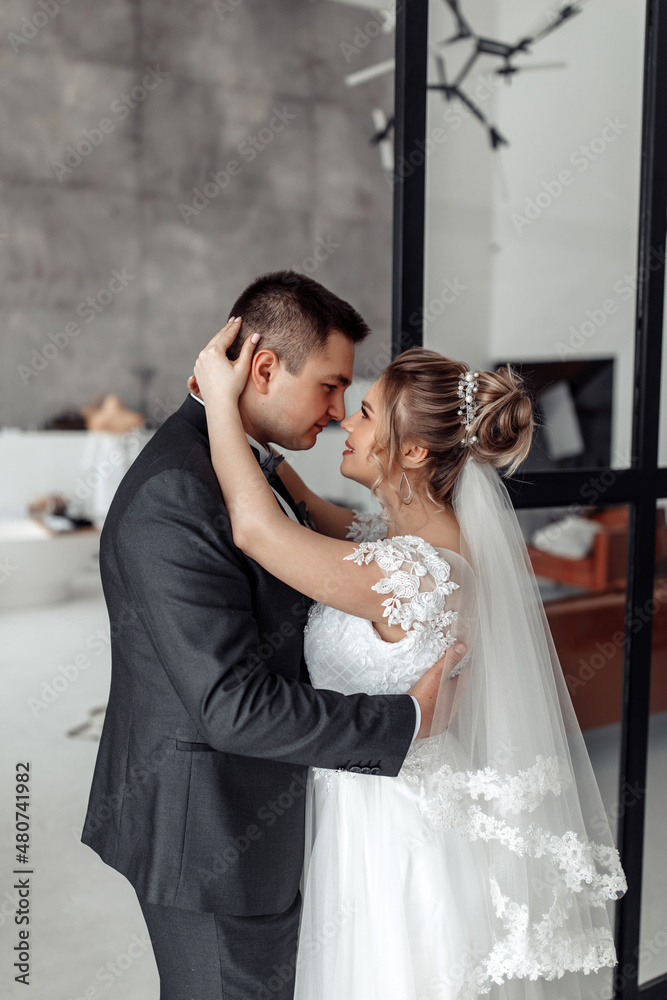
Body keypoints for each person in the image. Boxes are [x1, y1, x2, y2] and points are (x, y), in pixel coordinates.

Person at [191, 320, 628, 1000]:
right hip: (373, 803)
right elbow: (316, 517)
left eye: (363, 413)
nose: (345, 425)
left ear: (415, 450)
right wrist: (269, 455)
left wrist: (219, 402)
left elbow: (258, 531)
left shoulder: (415, 574)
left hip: (395, 831)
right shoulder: (407, 544)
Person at [80, 272, 465, 1000]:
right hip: (213, 833)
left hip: (289, 815)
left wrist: (225, 413)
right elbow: (230, 705)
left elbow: (301, 531)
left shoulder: (246, 470)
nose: (339, 410)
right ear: (262, 368)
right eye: (330, 385)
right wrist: (406, 720)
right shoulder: (177, 495)